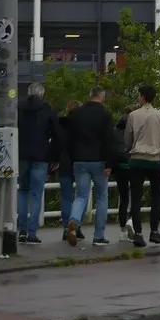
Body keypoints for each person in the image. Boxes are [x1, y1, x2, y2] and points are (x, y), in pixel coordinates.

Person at [65, 87, 114, 248]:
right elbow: (108, 140)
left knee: (81, 195)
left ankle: (73, 221)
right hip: (99, 161)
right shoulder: (105, 115)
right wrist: (109, 164)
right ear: (102, 97)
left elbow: (69, 139)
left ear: (89, 95)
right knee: (101, 197)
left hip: (79, 160)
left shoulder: (77, 114)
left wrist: (73, 158)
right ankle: (98, 236)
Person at [125, 85, 160, 249]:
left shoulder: (133, 115)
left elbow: (128, 139)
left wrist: (129, 151)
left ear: (143, 97)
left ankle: (138, 233)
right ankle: (154, 231)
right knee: (156, 195)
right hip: (154, 160)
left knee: (136, 196)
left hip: (137, 158)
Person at [16, 82, 60, 244]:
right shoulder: (47, 109)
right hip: (41, 157)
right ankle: (32, 232)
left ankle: (21, 230)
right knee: (36, 194)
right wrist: (55, 158)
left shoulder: (18, 107)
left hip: (21, 156)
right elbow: (56, 134)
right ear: (42, 94)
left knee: (22, 191)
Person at [57, 100, 80, 241]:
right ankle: (77, 224)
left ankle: (67, 227)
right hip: (79, 162)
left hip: (64, 163)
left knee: (66, 196)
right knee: (81, 196)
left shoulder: (61, 124)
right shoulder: (82, 126)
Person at [114, 105, 137, 239]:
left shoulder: (116, 128)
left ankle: (122, 229)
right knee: (136, 195)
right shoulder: (135, 126)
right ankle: (131, 221)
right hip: (133, 163)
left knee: (123, 197)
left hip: (119, 165)